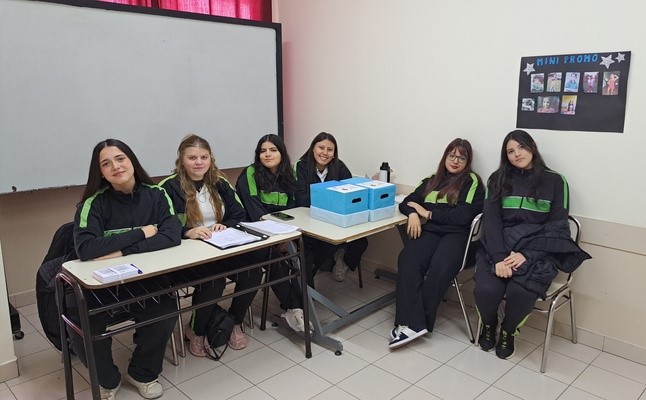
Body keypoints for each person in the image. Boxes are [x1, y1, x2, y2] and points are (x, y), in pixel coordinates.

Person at [72, 139, 182, 400]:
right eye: (106, 163)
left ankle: (142, 373)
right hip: (102, 285)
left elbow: (172, 235)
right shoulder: (93, 203)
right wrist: (142, 233)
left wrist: (123, 250)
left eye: (120, 158)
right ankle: (107, 380)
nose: (116, 166)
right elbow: (86, 248)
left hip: (146, 277)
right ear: (101, 172)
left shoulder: (156, 194)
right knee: (81, 320)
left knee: (166, 310)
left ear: (132, 160)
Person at [473, 130, 590, 360]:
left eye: (521, 147)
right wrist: (499, 257)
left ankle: (508, 331)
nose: (517, 154)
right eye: (510, 151)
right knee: (486, 290)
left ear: (532, 147)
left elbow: (557, 227)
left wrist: (527, 254)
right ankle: (489, 324)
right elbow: (492, 222)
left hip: (538, 250)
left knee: (520, 292)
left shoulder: (556, 181)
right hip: (499, 247)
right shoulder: (497, 179)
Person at [160, 134, 263, 356]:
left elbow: (239, 214)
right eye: (192, 157)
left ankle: (234, 322)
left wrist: (225, 225)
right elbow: (160, 225)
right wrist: (187, 231)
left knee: (253, 273)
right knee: (213, 281)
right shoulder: (167, 188)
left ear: (210, 159)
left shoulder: (220, 182)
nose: (199, 162)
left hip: (220, 249)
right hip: (187, 256)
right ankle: (195, 331)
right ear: (181, 160)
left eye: (204, 157)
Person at [389, 138, 484, 348]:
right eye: (452, 155)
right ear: (445, 157)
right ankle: (410, 322)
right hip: (432, 232)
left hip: (457, 235)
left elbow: (463, 216)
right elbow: (408, 201)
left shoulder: (472, 181)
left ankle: (415, 323)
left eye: (461, 158)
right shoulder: (432, 180)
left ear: (467, 162)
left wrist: (428, 214)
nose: (455, 161)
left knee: (441, 265)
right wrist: (413, 214)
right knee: (408, 258)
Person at [235, 134, 307, 332]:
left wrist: (288, 236)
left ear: (282, 153)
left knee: (305, 251)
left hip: (280, 233)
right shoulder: (250, 174)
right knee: (273, 257)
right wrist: (278, 239)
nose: (267, 154)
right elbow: (254, 212)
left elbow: (293, 211)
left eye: (273, 150)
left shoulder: (288, 175)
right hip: (252, 233)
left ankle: (301, 304)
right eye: (263, 151)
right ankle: (294, 308)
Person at [294, 132, 369, 284]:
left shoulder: (339, 166)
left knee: (361, 242)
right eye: (321, 148)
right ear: (313, 149)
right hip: (309, 219)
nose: (325, 153)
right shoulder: (301, 166)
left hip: (336, 220)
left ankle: (342, 261)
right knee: (323, 245)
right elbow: (301, 199)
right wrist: (332, 200)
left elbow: (350, 193)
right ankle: (309, 278)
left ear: (334, 153)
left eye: (330, 149)